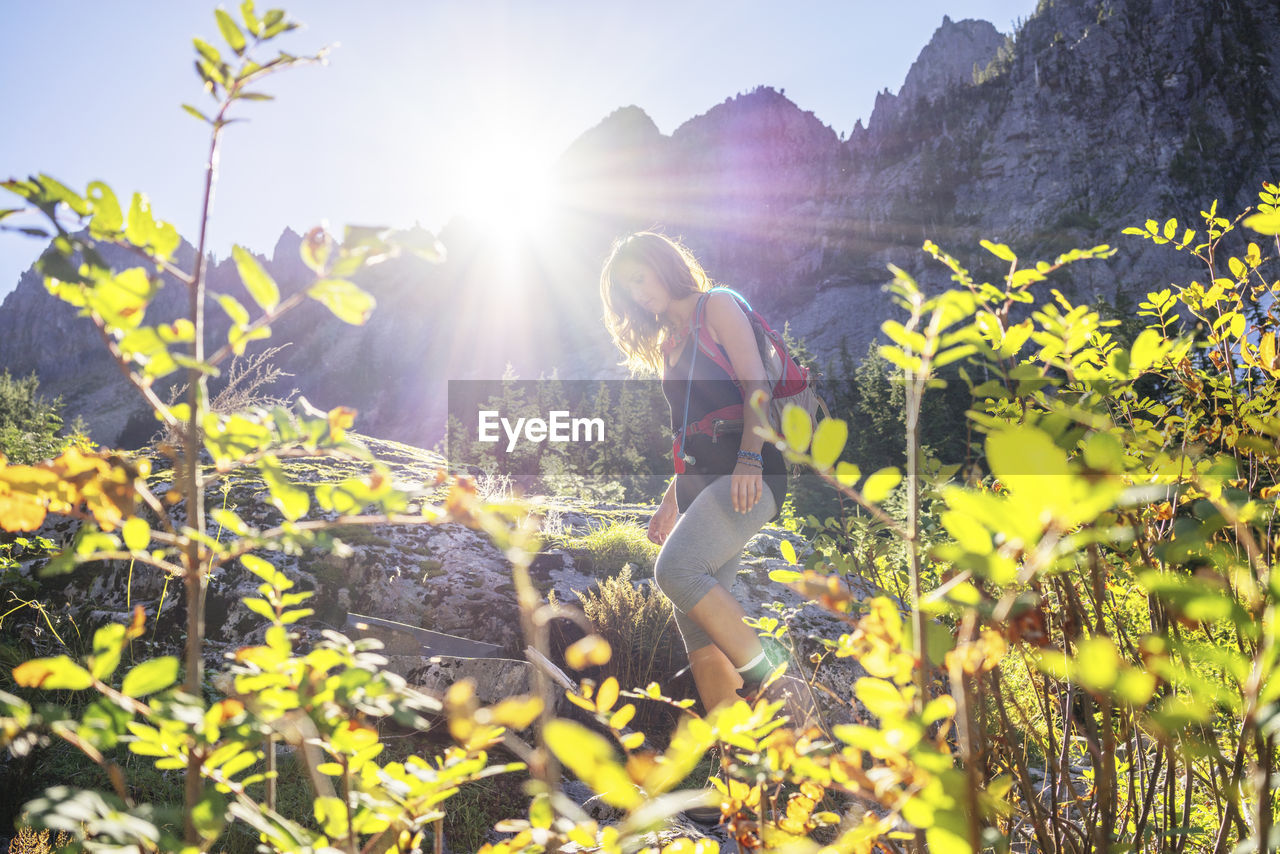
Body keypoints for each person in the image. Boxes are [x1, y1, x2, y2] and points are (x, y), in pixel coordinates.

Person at [598, 231, 790, 715]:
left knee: (677, 571)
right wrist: (669, 503)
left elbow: (756, 385)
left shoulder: (717, 307)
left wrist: (750, 458)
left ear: (664, 265)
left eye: (640, 278)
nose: (639, 294)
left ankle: (773, 688)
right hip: (697, 484)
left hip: (749, 470)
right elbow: (687, 434)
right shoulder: (669, 344)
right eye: (628, 289)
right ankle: (740, 763)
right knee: (698, 628)